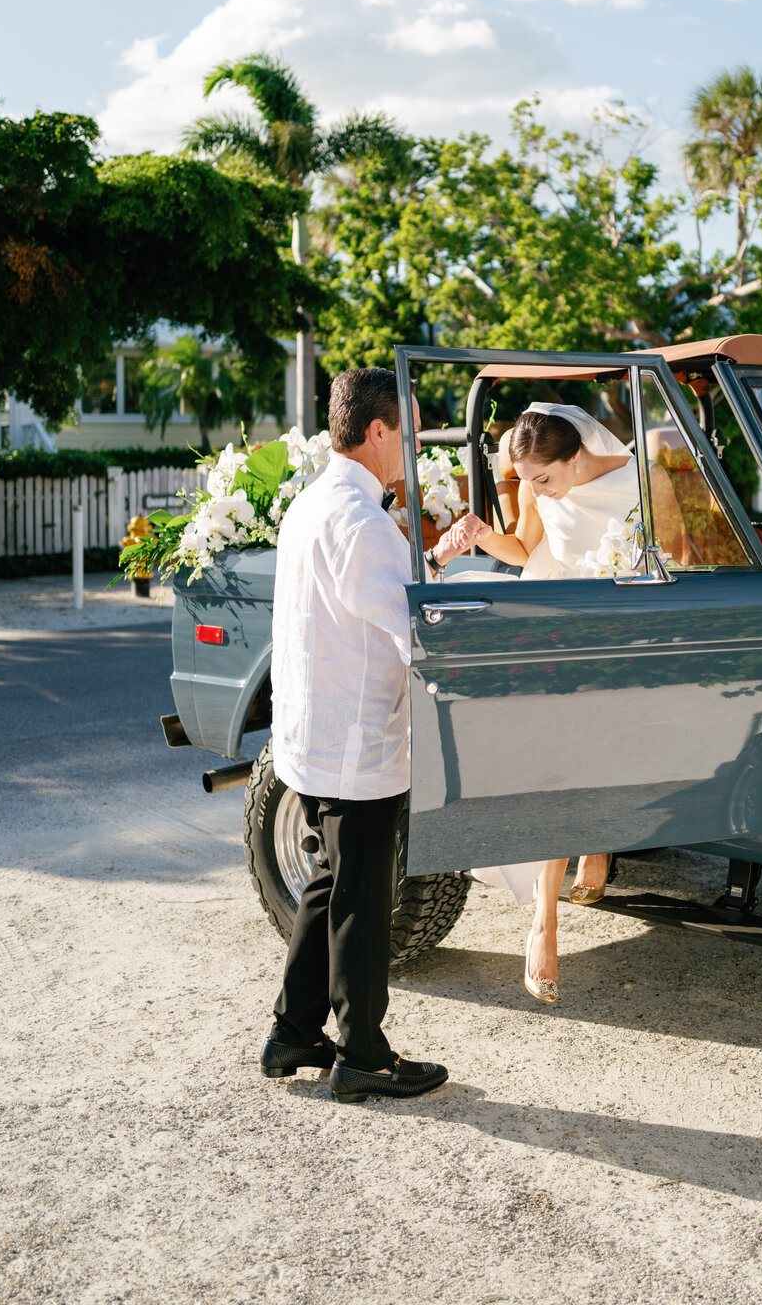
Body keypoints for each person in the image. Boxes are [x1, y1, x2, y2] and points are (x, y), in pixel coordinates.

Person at [260, 366, 488, 1103]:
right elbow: (414, 632)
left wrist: (434, 559)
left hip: (315, 734)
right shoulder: (361, 523)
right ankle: (364, 1054)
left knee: (330, 883)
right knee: (360, 896)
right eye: (412, 429)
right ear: (381, 430)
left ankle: (293, 1031)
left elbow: (371, 594)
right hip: (358, 741)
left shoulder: (314, 506)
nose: (416, 445)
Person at [470, 402, 659, 1006]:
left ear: (575, 457)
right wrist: (482, 536)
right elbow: (525, 550)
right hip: (556, 622)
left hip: (621, 626)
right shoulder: (536, 481)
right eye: (524, 479)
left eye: (543, 479)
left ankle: (597, 842)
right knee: (554, 764)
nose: (533, 489)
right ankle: (543, 924)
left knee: (605, 745)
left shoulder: (641, 475)